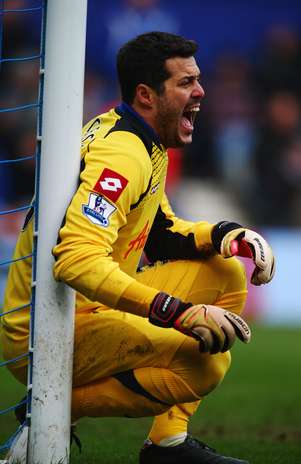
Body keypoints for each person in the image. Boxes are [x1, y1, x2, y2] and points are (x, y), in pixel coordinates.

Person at [1, 32, 275, 464]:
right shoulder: (124, 155)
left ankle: (167, 446)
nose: (201, 91)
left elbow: (160, 230)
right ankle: (50, 409)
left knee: (224, 272)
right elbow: (75, 258)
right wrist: (177, 311)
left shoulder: (132, 134)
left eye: (198, 79)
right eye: (186, 82)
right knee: (204, 363)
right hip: (43, 331)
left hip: (86, 308)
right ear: (147, 94)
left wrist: (225, 234)